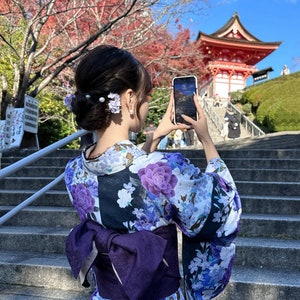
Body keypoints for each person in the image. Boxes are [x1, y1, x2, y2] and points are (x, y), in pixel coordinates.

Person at [64, 45, 241, 300]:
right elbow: (222, 209)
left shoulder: (73, 172)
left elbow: (122, 173)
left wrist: (155, 137)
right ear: (128, 99)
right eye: (145, 96)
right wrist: (207, 141)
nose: (147, 104)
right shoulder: (164, 168)